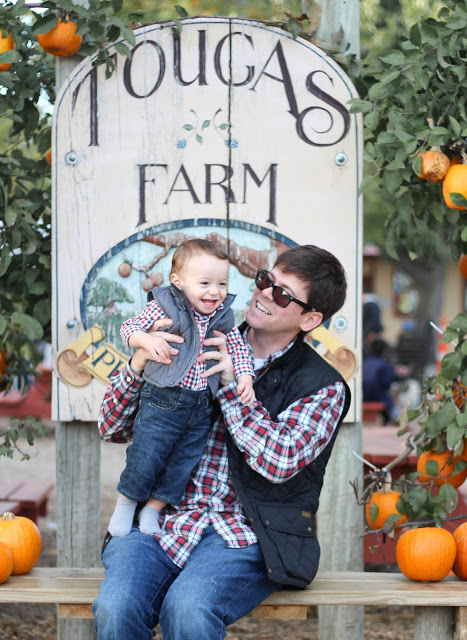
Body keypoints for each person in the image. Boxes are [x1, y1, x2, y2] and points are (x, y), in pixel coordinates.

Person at [93, 244, 351, 640]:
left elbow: (278, 462)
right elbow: (111, 427)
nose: (264, 293)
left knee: (190, 608)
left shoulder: (323, 387)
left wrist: (231, 386)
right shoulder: (191, 330)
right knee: (115, 608)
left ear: (310, 318)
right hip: (163, 518)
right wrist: (138, 364)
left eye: (283, 294)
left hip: (247, 533)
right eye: (266, 281)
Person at [108, 238, 255, 537]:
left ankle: (152, 510)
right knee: (147, 454)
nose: (214, 292)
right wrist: (147, 340)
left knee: (182, 462)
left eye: (222, 284)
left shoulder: (223, 316)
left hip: (201, 405)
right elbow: (129, 328)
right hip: (162, 397)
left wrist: (244, 377)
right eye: (204, 283)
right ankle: (125, 505)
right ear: (178, 280)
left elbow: (237, 349)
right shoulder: (165, 305)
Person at [362, 337, 398, 423]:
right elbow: (387, 383)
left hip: (364, 397)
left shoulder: (364, 362)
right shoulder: (383, 364)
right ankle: (396, 420)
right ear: (384, 350)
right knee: (394, 402)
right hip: (379, 398)